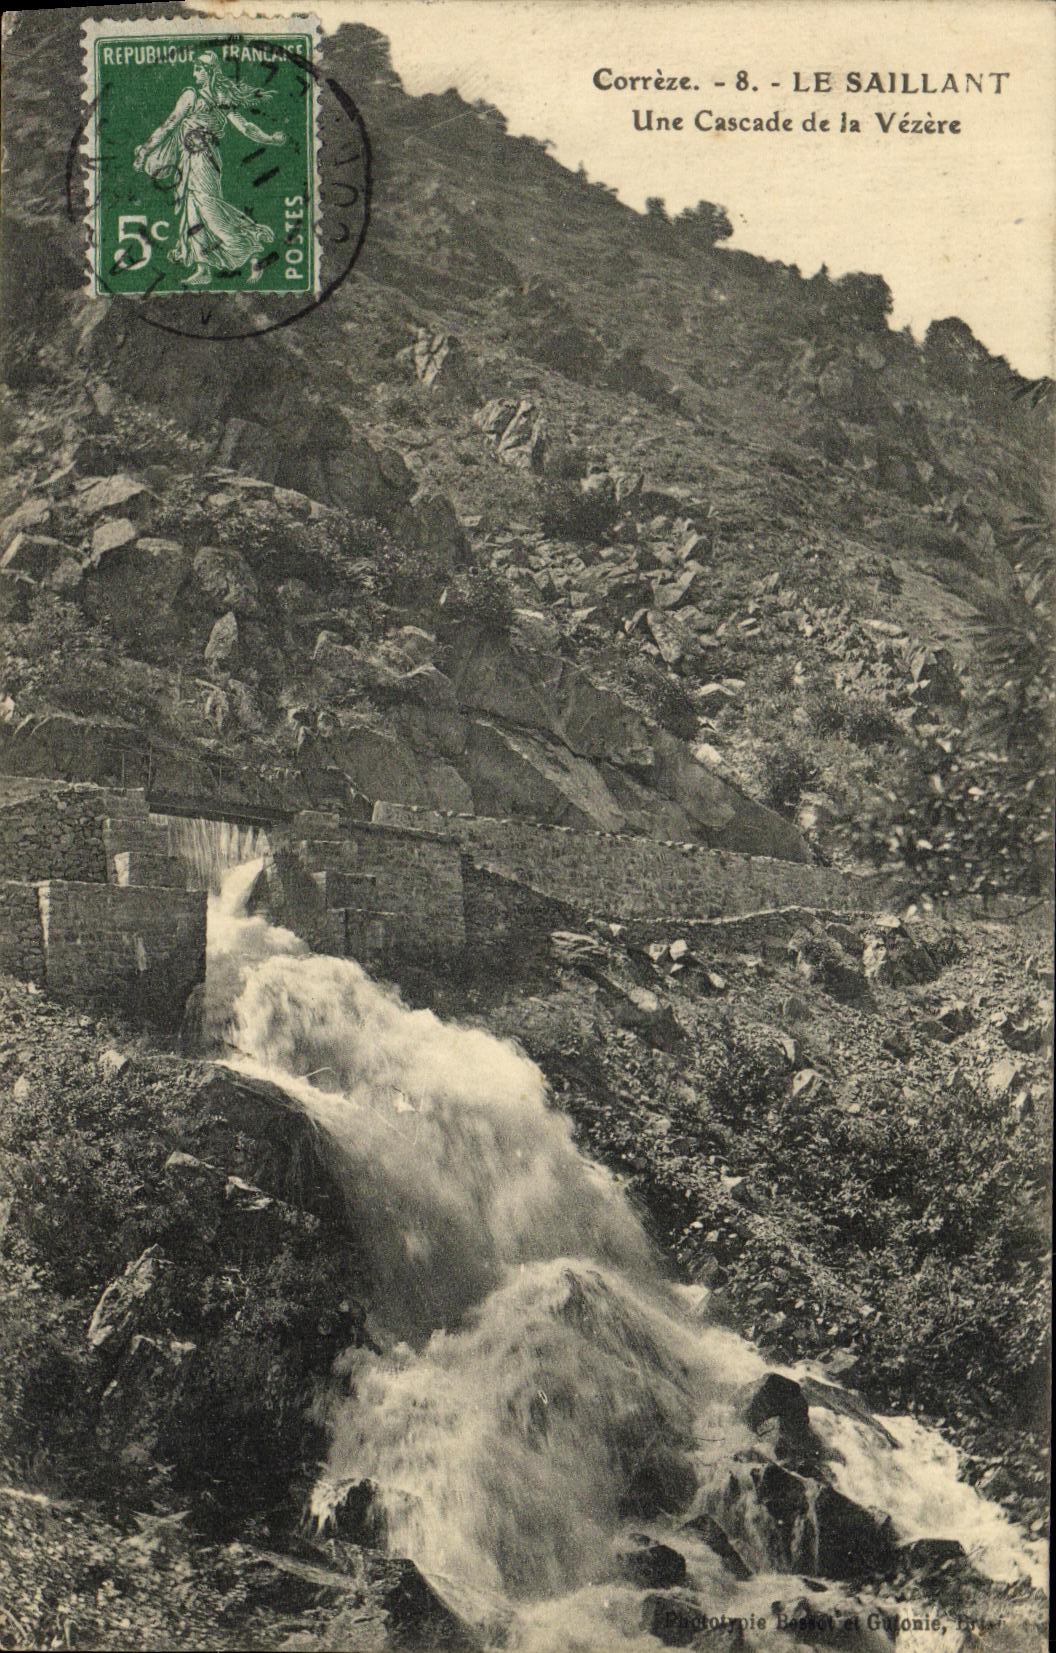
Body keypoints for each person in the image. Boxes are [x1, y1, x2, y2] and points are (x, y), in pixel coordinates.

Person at [133, 50, 285, 286]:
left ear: (210, 72)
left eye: (198, 69)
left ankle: (252, 249)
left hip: (207, 160)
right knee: (194, 212)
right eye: (194, 69)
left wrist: (270, 139)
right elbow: (169, 125)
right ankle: (203, 268)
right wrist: (145, 148)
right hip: (188, 159)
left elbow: (244, 126)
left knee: (210, 210)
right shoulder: (190, 96)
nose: (194, 74)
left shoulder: (219, 96)